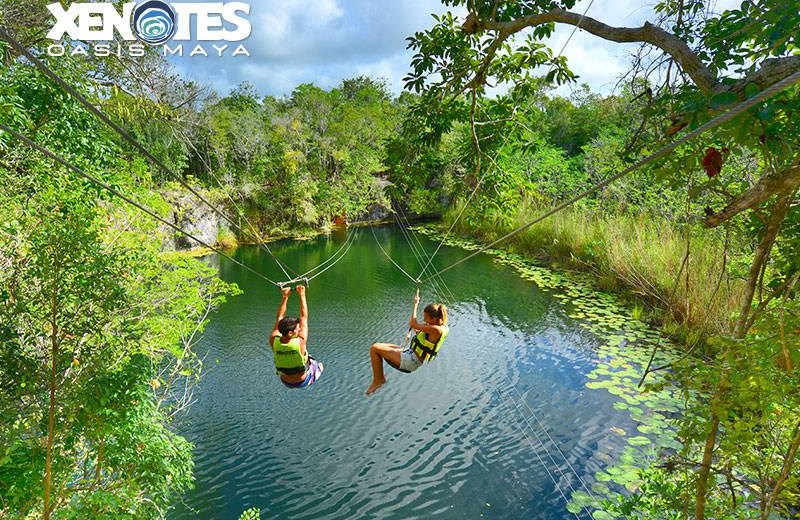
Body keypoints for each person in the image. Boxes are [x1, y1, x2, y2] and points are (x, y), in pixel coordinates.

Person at [366, 289, 449, 395]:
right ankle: (379, 379)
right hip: (410, 354)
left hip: (410, 361)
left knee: (374, 349)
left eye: (426, 318)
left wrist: (415, 304)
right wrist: (415, 328)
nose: (424, 320)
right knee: (377, 345)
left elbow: (413, 323)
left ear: (434, 319)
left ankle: (378, 380)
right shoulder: (442, 327)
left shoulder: (436, 330)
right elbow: (422, 334)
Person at [269, 284, 323, 389]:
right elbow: (304, 317)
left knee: (304, 356)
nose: (299, 329)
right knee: (320, 365)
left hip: (285, 381)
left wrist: (285, 297)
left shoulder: (273, 339)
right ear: (290, 333)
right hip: (303, 381)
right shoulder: (300, 342)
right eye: (297, 329)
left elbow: (280, 317)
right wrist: (302, 295)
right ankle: (315, 368)